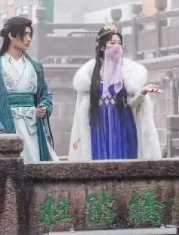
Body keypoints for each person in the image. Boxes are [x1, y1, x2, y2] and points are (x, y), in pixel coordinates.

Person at [0, 16, 59, 167]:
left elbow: (45, 94)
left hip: (32, 127)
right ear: (11, 35)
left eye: (30, 34)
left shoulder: (35, 67)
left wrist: (44, 107)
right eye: (25, 34)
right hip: (6, 125)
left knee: (36, 165)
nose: (29, 39)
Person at [68, 23, 162, 160]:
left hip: (122, 123)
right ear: (102, 47)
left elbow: (130, 103)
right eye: (112, 43)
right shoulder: (89, 73)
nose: (117, 46)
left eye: (119, 43)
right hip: (99, 125)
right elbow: (84, 108)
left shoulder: (128, 71)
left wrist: (142, 92)